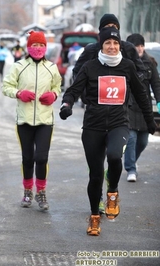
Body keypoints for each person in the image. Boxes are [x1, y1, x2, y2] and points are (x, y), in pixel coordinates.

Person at [59, 27, 156, 236]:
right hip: (93, 126)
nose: (112, 47)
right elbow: (73, 90)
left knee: (114, 156)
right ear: (101, 46)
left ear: (119, 45)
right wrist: (66, 105)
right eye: (107, 43)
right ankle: (94, 216)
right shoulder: (90, 67)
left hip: (118, 124)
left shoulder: (128, 66)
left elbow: (141, 95)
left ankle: (112, 191)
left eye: (115, 43)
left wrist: (151, 122)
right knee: (94, 176)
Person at [71, 13, 149, 212]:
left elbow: (139, 73)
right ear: (100, 32)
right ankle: (96, 202)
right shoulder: (91, 51)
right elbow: (77, 74)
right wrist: (87, 94)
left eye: (114, 27)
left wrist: (127, 87)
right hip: (95, 114)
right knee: (95, 167)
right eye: (107, 27)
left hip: (121, 108)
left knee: (117, 154)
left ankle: (113, 182)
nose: (111, 43)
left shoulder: (127, 49)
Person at [2, 31, 62, 211]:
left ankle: (41, 192)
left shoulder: (51, 67)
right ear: (28, 47)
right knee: (28, 158)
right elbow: (6, 87)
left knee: (41, 158)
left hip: (45, 120)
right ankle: (27, 191)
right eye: (34, 45)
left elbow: (58, 86)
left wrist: (54, 94)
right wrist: (19, 93)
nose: (38, 49)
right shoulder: (19, 66)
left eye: (41, 45)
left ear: (46, 47)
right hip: (25, 121)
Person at [124, 33, 160, 182]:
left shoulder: (150, 63)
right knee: (131, 138)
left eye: (141, 46)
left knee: (143, 141)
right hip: (129, 106)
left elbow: (156, 85)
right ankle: (131, 169)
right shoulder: (124, 63)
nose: (139, 49)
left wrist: (159, 102)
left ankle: (132, 160)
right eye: (136, 46)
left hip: (144, 108)